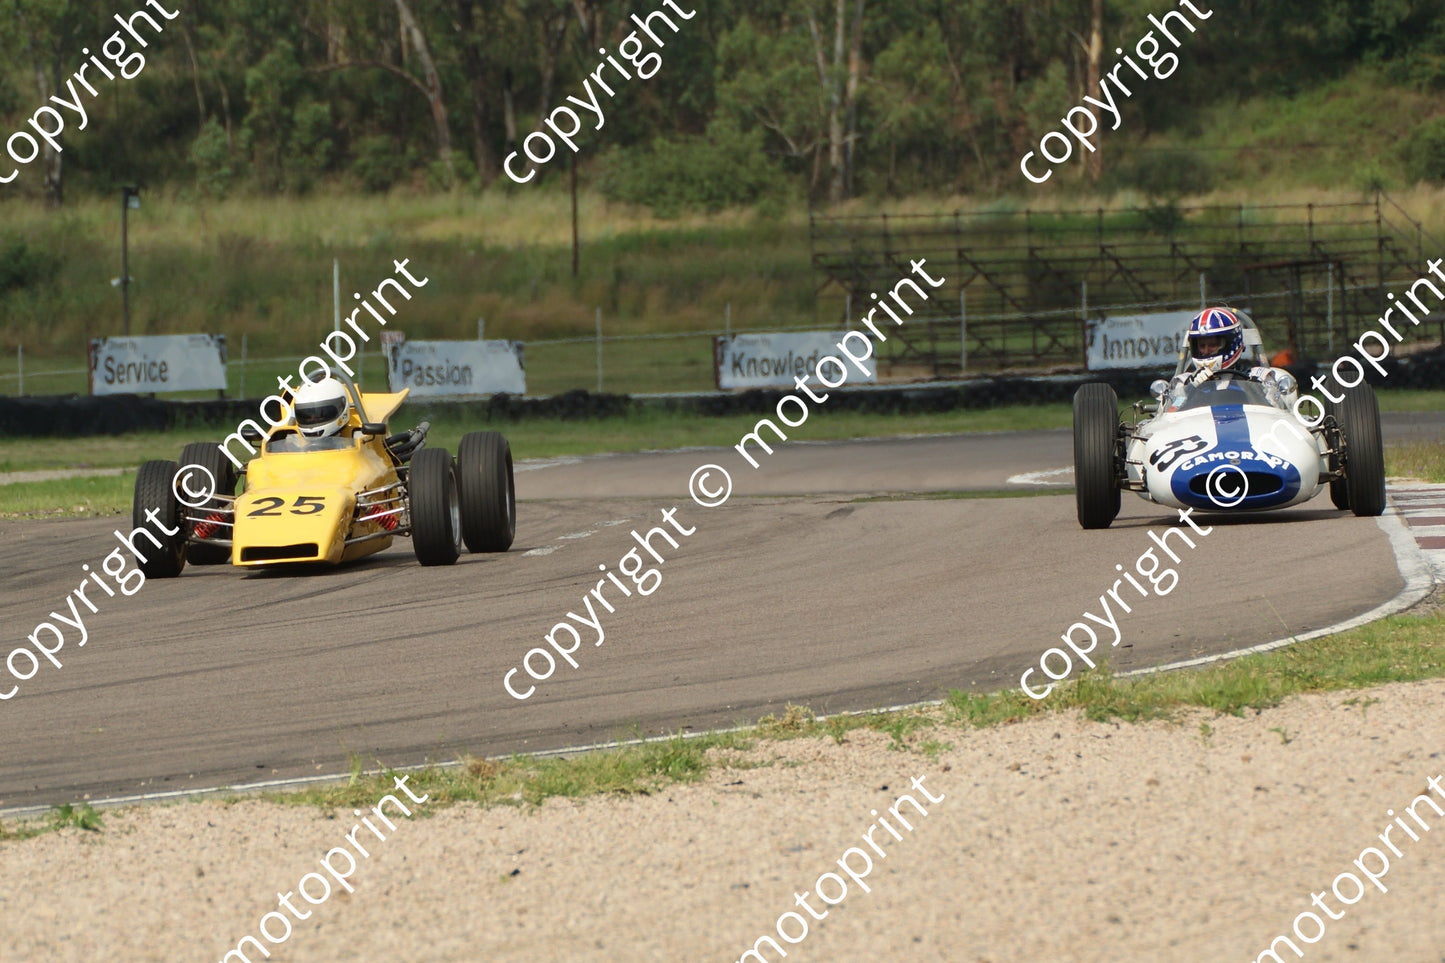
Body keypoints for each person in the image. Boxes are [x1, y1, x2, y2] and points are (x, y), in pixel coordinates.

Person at [1164, 306, 1296, 407]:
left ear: (1232, 343)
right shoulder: (1182, 382)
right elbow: (1172, 415)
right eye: (1201, 345)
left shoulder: (1260, 377)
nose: (1206, 351)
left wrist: (1251, 390)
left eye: (1213, 344)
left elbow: (1273, 412)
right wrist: (1191, 390)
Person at [269, 377, 352, 452]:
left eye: (320, 415)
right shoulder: (290, 442)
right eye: (306, 416)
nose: (312, 419)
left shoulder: (358, 440)